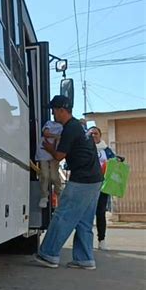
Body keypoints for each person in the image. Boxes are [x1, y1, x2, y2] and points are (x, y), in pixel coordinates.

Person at [33, 95, 103, 270]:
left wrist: (48, 148)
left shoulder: (70, 129)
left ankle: (48, 254)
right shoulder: (78, 127)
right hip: (94, 179)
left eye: (54, 110)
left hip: (83, 180)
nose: (53, 114)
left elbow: (59, 156)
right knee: (84, 221)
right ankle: (85, 259)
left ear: (61, 110)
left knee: (63, 215)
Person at [88, 126, 119, 251]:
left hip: (102, 186)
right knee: (86, 215)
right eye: (91, 134)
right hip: (87, 186)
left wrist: (118, 161)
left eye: (96, 133)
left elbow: (114, 163)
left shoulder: (107, 150)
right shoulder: (83, 149)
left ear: (100, 136)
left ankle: (102, 240)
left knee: (100, 213)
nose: (93, 135)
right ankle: (85, 241)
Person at [35, 120, 63, 208]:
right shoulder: (49, 123)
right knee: (44, 175)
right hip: (43, 152)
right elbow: (46, 133)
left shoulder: (65, 127)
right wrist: (57, 136)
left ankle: (59, 193)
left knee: (54, 177)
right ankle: (44, 196)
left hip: (54, 153)